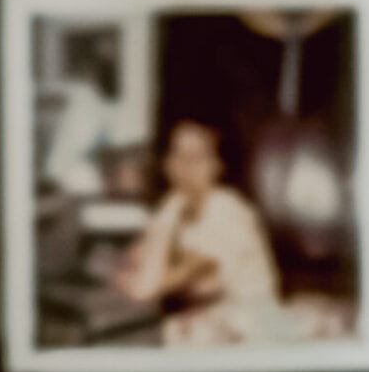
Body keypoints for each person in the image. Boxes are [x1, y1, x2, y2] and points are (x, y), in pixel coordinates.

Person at [118, 119, 280, 347]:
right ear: (166, 164)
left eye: (197, 158)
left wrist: (146, 280)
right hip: (216, 316)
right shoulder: (176, 208)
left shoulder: (226, 209)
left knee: (173, 333)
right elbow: (139, 258)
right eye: (178, 156)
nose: (185, 167)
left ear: (217, 165)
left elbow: (166, 278)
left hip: (258, 318)